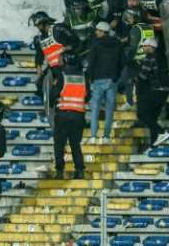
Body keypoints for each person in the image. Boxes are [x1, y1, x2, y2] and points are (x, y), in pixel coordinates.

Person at [85, 22, 125, 144]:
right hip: (112, 80)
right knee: (109, 109)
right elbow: (122, 62)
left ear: (102, 32)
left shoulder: (96, 43)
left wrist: (91, 77)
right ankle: (106, 136)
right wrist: (116, 76)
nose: (96, 33)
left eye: (97, 31)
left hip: (98, 79)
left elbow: (91, 62)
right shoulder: (117, 43)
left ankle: (93, 136)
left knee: (96, 109)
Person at [50, 51, 87, 180]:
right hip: (78, 116)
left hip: (63, 114)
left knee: (59, 144)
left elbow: (53, 94)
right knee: (75, 144)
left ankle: (60, 172)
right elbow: (87, 96)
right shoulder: (83, 76)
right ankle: (80, 171)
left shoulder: (61, 76)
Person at [30, 11, 80, 98]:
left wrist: (70, 46)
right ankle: (50, 108)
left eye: (39, 24)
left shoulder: (58, 29)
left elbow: (75, 40)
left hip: (65, 65)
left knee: (58, 88)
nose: (37, 27)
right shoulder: (39, 38)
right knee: (40, 84)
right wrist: (38, 66)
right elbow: (39, 53)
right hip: (53, 67)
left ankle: (58, 107)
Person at [133, 37, 169, 151]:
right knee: (152, 118)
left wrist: (133, 80)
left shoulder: (149, 58)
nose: (143, 48)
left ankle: (161, 132)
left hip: (155, 90)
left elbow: (143, 76)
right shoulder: (162, 57)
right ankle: (154, 145)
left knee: (141, 114)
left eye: (145, 46)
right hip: (165, 91)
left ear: (152, 47)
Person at [118, 6, 152, 110]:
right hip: (147, 60)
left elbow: (133, 48)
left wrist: (127, 61)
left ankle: (130, 103)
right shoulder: (147, 27)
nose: (129, 19)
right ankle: (135, 103)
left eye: (130, 17)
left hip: (136, 62)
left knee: (126, 78)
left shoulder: (136, 29)